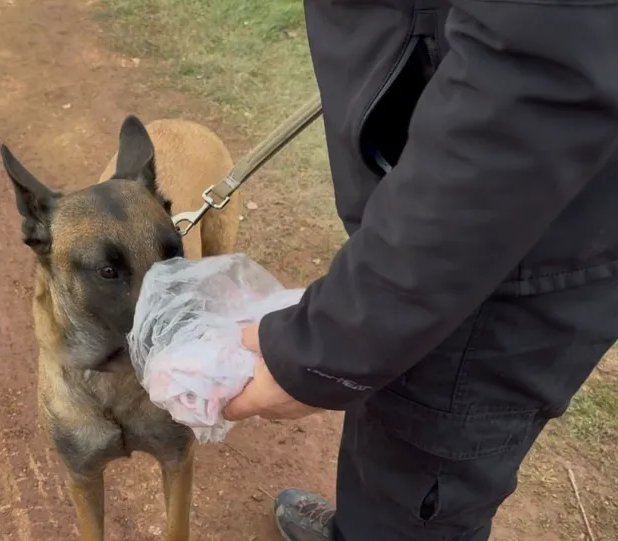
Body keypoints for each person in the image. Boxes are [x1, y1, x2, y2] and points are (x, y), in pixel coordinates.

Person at [220, 0, 618, 539]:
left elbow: (534, 77)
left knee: (415, 487)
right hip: (446, 234)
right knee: (388, 425)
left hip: (499, 263)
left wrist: (328, 348)